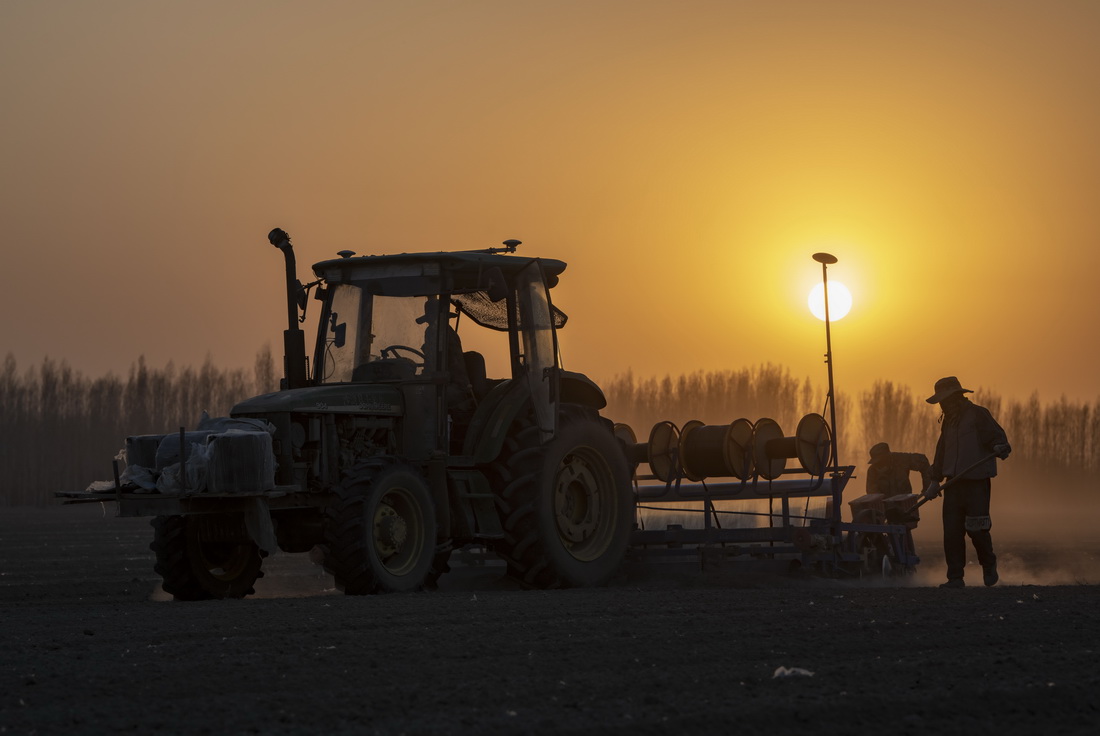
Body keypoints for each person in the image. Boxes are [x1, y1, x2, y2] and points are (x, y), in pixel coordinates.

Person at [923, 376, 1011, 588]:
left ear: (956, 397)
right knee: (952, 532)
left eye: (944, 399)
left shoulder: (978, 415)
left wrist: (1000, 447)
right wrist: (935, 480)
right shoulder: (948, 422)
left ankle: (988, 564)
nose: (942, 404)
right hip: (953, 484)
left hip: (976, 482)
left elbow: (998, 438)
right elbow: (941, 451)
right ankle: (955, 578)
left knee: (977, 529)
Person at [865, 442, 933, 498]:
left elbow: (923, 461)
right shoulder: (872, 471)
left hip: (906, 505)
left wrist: (928, 487)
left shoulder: (901, 460)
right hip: (885, 510)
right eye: (877, 462)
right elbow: (872, 494)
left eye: (881, 461)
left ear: (887, 456)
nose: (879, 465)